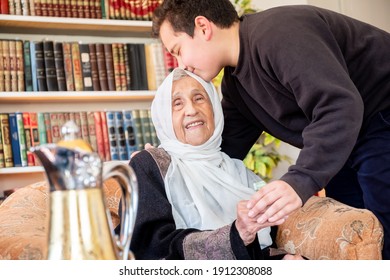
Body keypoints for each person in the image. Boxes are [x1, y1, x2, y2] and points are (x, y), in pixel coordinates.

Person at [151, 1, 390, 259]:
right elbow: (221, 149)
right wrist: (162, 161)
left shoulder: (279, 33)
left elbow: (339, 105)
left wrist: (299, 181)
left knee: (385, 232)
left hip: (381, 115)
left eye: (177, 50)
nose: (181, 64)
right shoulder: (237, 88)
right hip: (350, 137)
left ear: (203, 27)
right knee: (354, 237)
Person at [128, 68, 302, 260]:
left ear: (214, 109)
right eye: (177, 103)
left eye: (199, 98)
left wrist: (283, 260)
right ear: (163, 118)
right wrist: (235, 234)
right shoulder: (148, 165)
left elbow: (261, 247)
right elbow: (149, 248)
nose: (192, 110)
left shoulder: (236, 170)